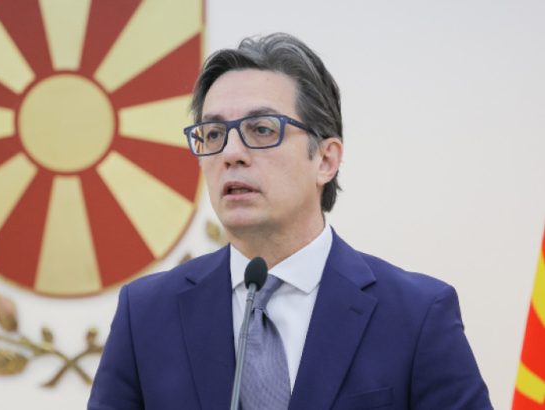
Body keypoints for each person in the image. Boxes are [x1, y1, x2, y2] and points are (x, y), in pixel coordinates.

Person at [88, 33, 492, 410]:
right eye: (212, 134)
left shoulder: (417, 315)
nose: (230, 153)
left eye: (262, 129)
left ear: (326, 159)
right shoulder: (146, 315)